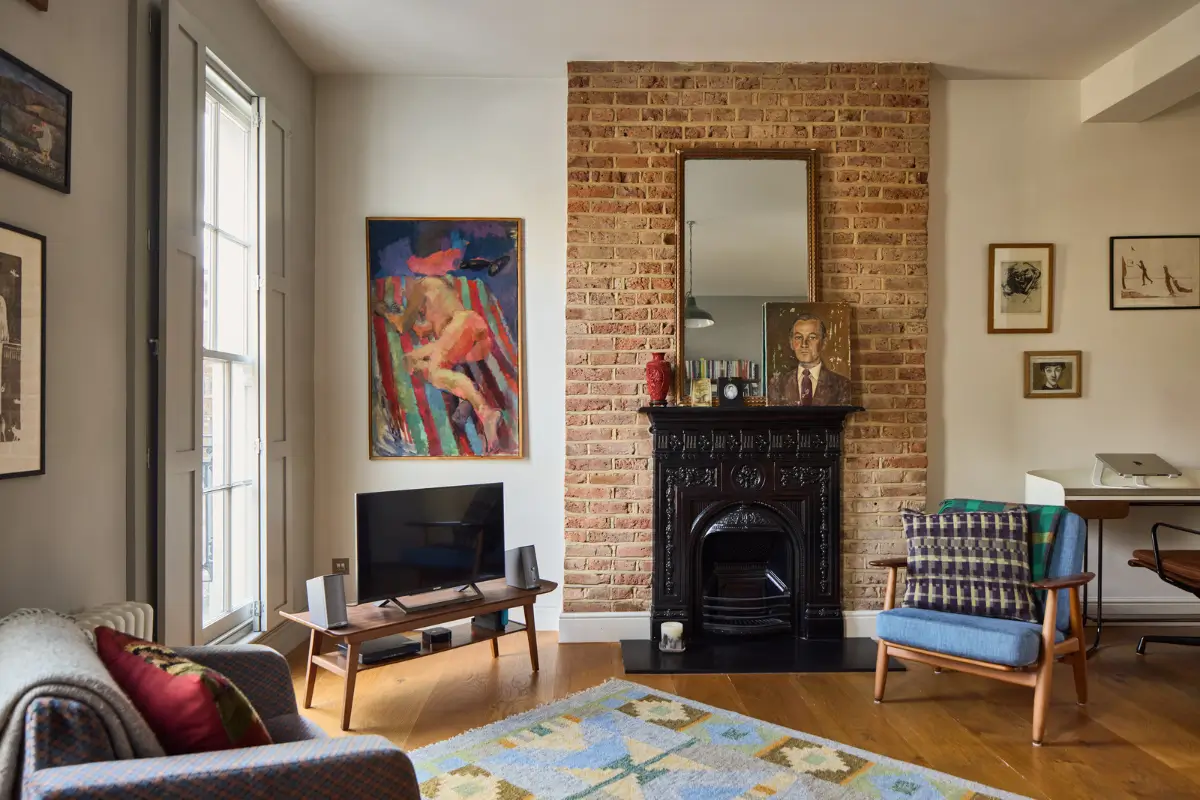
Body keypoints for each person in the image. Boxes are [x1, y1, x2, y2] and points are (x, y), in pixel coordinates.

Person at [373, 276, 503, 453]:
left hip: (462, 326)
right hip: (473, 340)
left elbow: (403, 324)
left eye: (406, 293)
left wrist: (384, 311)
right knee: (410, 360)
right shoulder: (439, 301)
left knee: (435, 373)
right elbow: (424, 331)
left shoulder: (422, 285)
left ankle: (486, 413)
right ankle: (466, 393)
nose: (406, 294)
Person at [767, 313, 851, 406]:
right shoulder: (778, 384)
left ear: (824, 343)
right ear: (791, 343)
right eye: (798, 337)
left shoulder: (842, 385)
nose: (804, 344)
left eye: (812, 337)